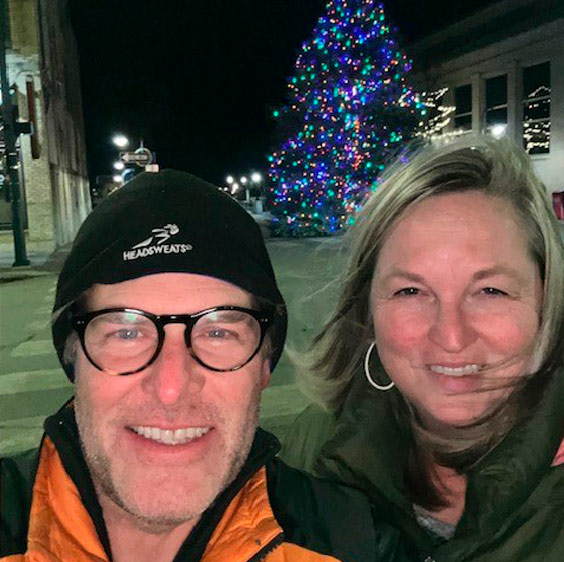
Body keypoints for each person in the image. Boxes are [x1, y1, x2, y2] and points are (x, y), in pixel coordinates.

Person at [0, 171, 415, 562]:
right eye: (127, 333)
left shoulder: (357, 544)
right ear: (73, 356)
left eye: (218, 333)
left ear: (264, 365)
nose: (171, 387)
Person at [282, 136, 564, 561]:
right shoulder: (312, 449)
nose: (451, 337)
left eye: (490, 290)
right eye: (411, 290)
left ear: (548, 302)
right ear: (367, 311)